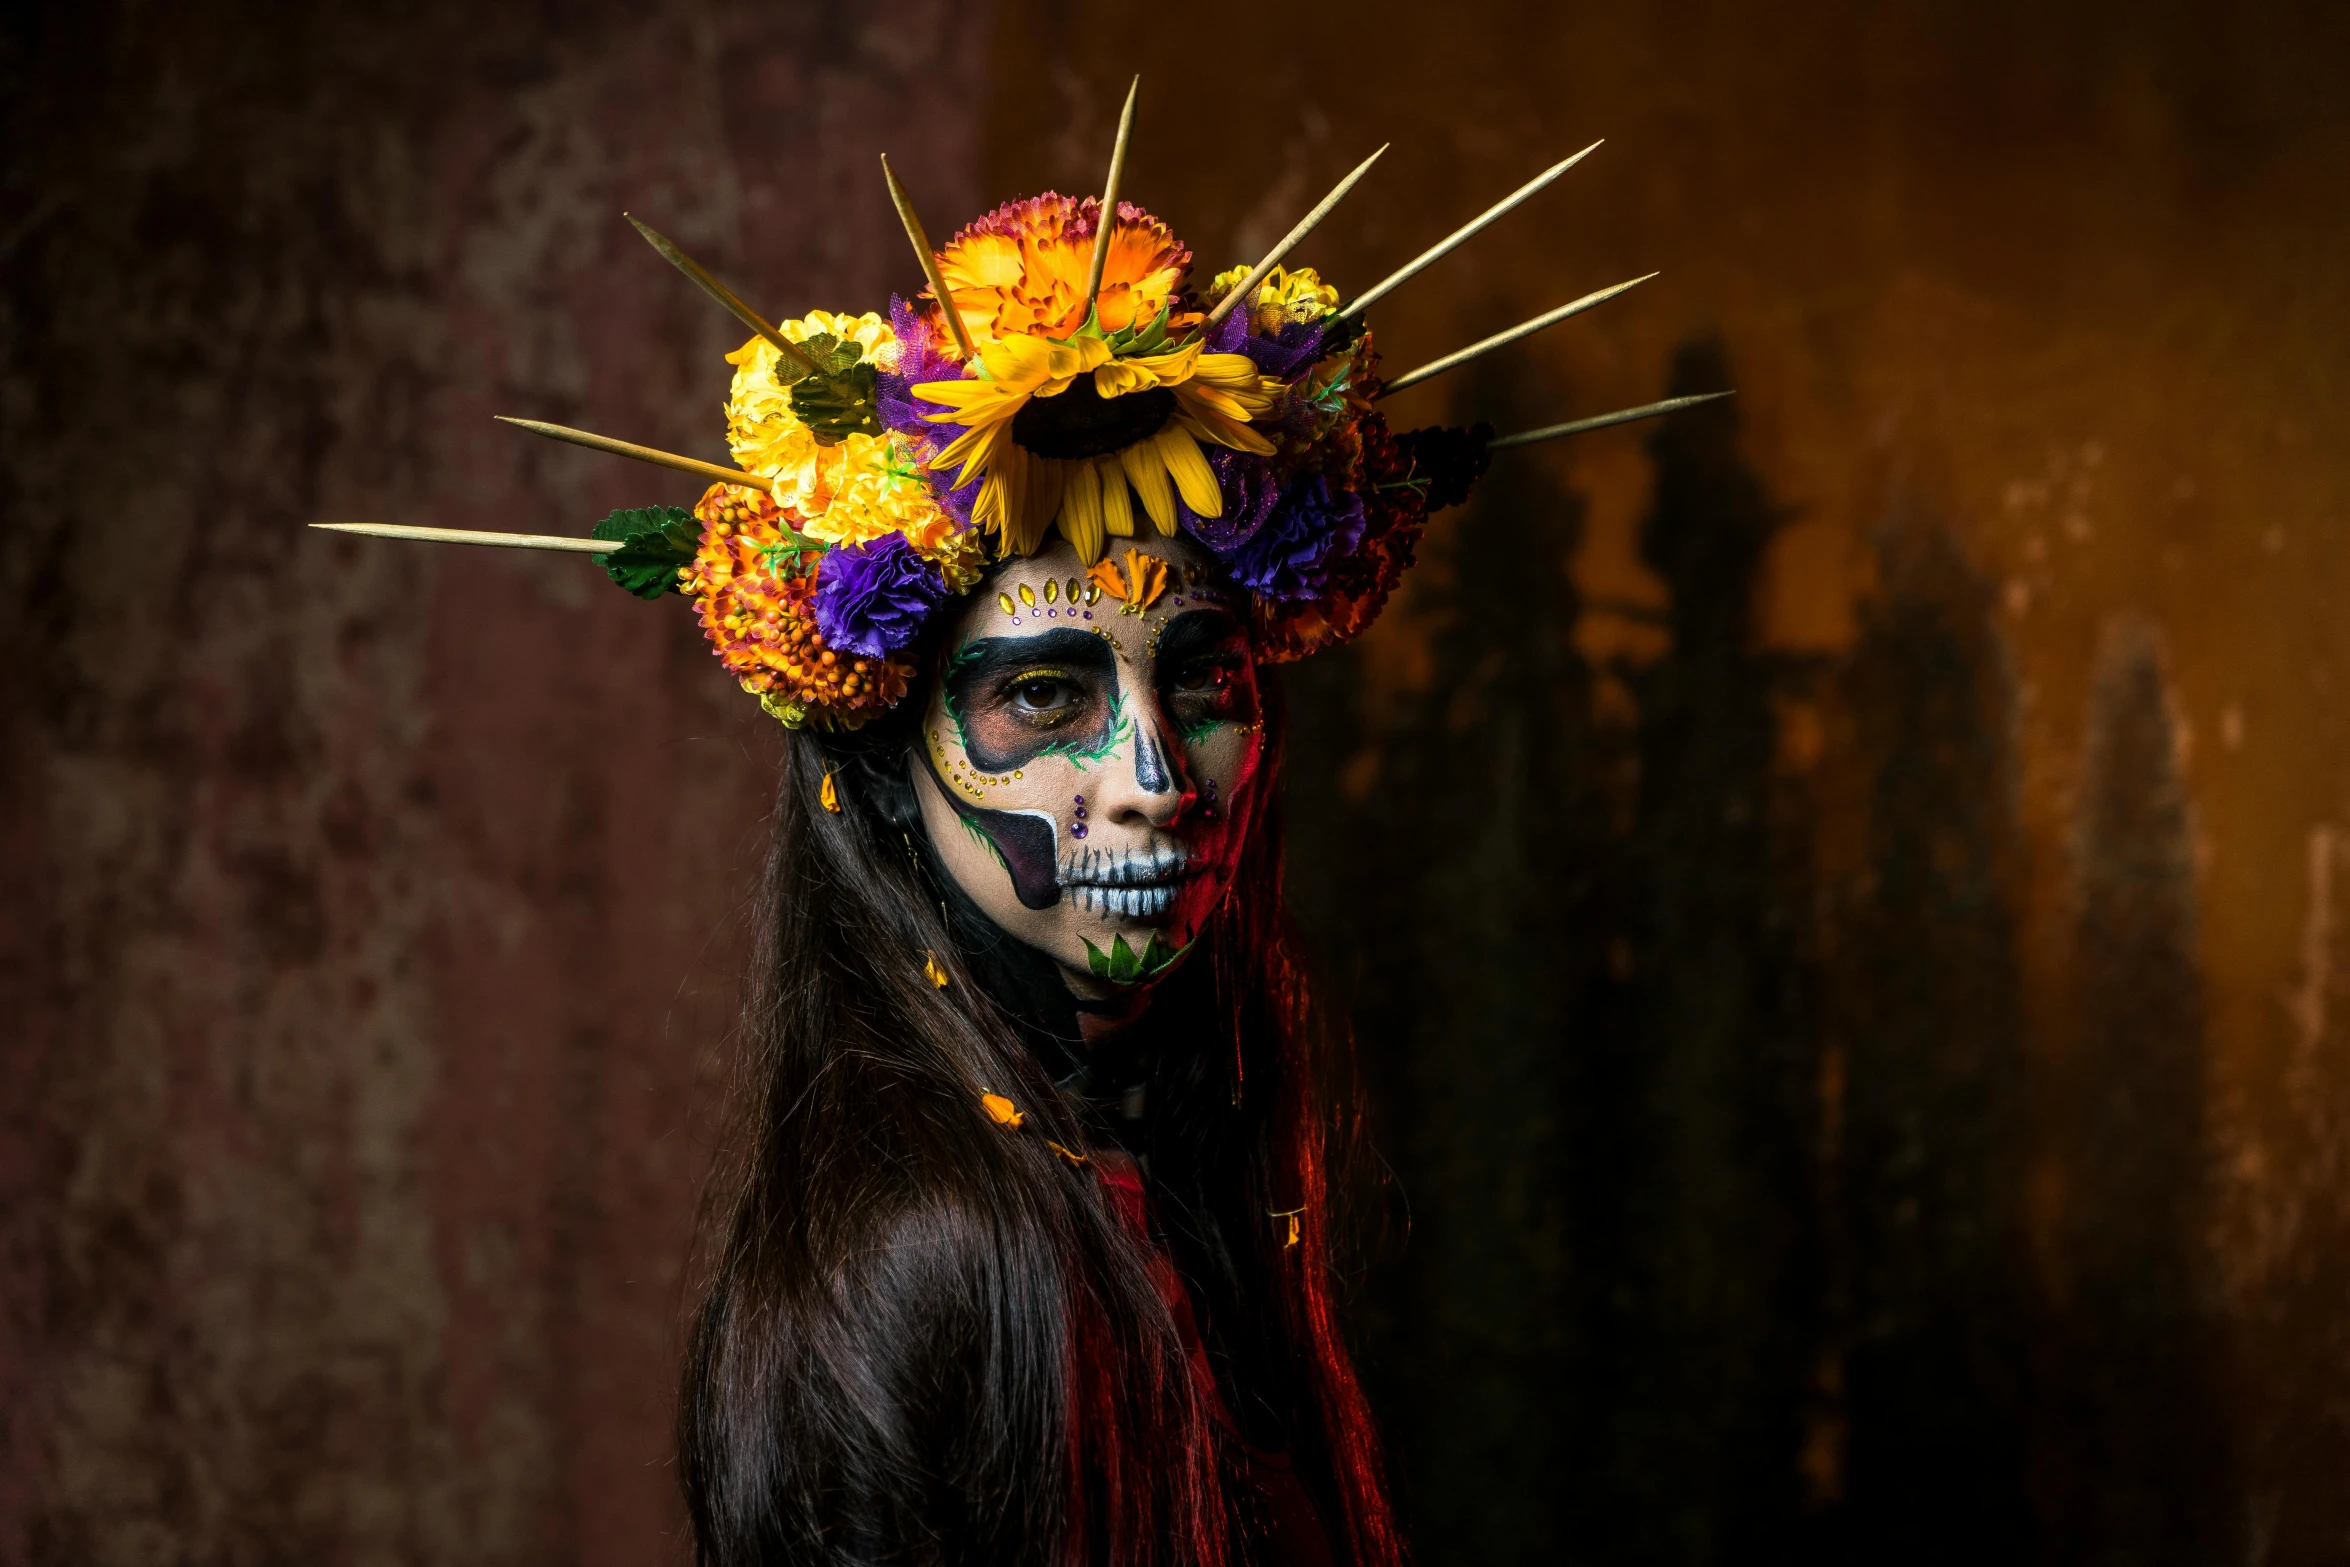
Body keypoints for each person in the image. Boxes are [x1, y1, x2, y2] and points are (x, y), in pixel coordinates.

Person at [321, 89, 1699, 1562]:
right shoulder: (936, 1254)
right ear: (880, 767)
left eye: (1200, 680)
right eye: (1043, 697)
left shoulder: (1166, 1166)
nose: (1152, 771)